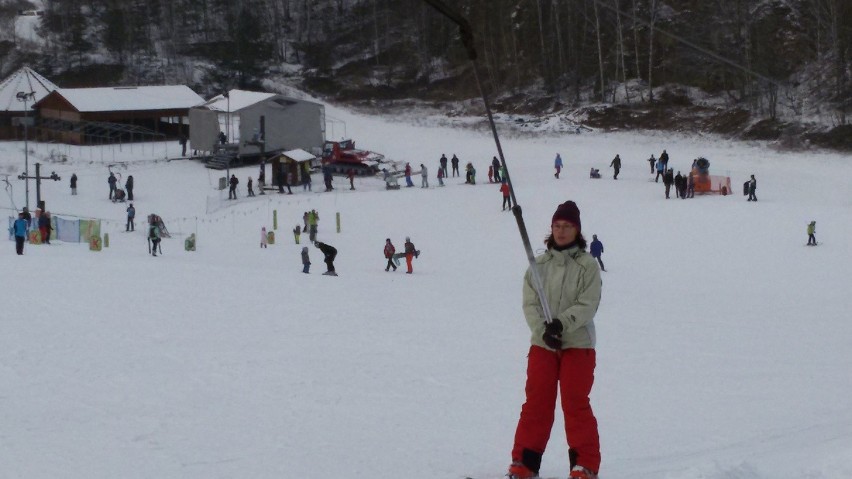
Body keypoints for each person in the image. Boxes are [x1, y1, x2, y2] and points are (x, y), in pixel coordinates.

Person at [507, 201, 602, 479]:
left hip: (578, 344)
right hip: (543, 345)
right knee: (536, 401)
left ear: (577, 230)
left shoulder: (587, 266)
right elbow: (530, 303)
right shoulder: (538, 266)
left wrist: (562, 324)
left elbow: (588, 304)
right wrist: (544, 330)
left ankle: (584, 465)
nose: (561, 231)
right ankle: (524, 462)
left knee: (575, 402)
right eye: (557, 226)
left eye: (567, 226)